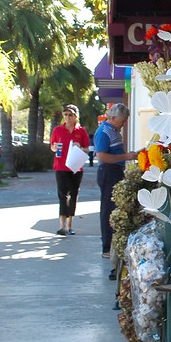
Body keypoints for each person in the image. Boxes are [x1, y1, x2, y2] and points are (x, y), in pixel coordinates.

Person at [93, 103, 137, 262]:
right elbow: (102, 156)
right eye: (123, 120)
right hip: (108, 172)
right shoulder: (104, 132)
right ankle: (106, 246)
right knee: (108, 209)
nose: (124, 123)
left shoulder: (114, 131)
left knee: (115, 207)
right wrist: (126, 157)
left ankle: (113, 243)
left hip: (116, 171)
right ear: (113, 118)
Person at [50, 105, 91, 235]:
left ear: (76, 117)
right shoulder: (58, 130)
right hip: (61, 166)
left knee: (73, 195)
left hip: (75, 167)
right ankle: (62, 226)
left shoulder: (81, 131)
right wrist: (55, 147)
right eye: (66, 115)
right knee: (63, 195)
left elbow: (87, 149)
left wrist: (80, 147)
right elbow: (52, 147)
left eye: (70, 115)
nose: (68, 117)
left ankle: (69, 225)